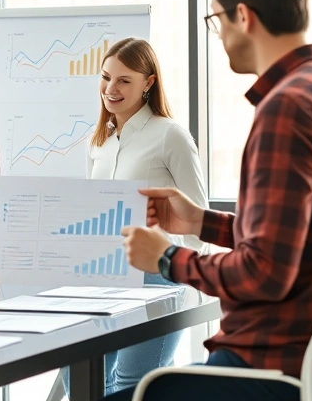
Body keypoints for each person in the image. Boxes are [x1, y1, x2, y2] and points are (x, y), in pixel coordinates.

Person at [109, 0, 312, 401]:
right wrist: (201, 222)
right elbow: (302, 241)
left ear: (244, 16)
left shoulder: (287, 109)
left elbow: (266, 272)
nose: (218, 34)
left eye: (216, 20)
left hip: (264, 368)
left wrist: (165, 258)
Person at [65, 37, 209, 398]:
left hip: (156, 279)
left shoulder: (170, 136)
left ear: (148, 82)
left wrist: (162, 253)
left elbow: (199, 227)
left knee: (134, 384)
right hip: (101, 277)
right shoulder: (97, 141)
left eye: (124, 80)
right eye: (106, 77)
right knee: (80, 377)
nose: (111, 89)